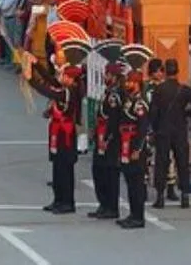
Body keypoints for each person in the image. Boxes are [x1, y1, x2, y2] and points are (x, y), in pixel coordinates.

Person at [25, 60, 82, 215]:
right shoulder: (65, 88)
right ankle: (58, 199)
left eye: (65, 76)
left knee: (65, 169)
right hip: (57, 132)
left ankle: (67, 202)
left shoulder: (70, 92)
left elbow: (49, 92)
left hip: (66, 134)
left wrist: (31, 80)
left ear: (71, 79)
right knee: (57, 168)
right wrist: (36, 64)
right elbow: (50, 80)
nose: (61, 77)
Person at [149, 58, 191, 210]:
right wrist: (186, 114)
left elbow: (153, 113)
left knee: (161, 163)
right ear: (177, 71)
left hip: (163, 131)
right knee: (182, 163)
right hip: (180, 131)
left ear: (165, 71)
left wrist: (154, 129)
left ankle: (160, 197)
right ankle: (185, 196)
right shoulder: (185, 90)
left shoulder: (159, 90)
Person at [88, 62, 124, 221]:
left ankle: (111, 207)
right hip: (101, 135)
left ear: (114, 77)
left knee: (110, 173)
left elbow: (114, 120)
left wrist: (107, 138)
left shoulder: (115, 96)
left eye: (107, 74)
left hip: (110, 140)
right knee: (98, 171)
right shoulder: (107, 92)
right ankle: (103, 204)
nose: (105, 76)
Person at [117, 67, 151, 229]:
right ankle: (132, 213)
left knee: (137, 182)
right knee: (130, 181)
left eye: (130, 82)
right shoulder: (129, 100)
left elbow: (143, 128)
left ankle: (138, 217)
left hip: (135, 145)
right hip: (126, 142)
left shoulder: (140, 104)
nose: (127, 84)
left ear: (137, 83)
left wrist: (137, 148)